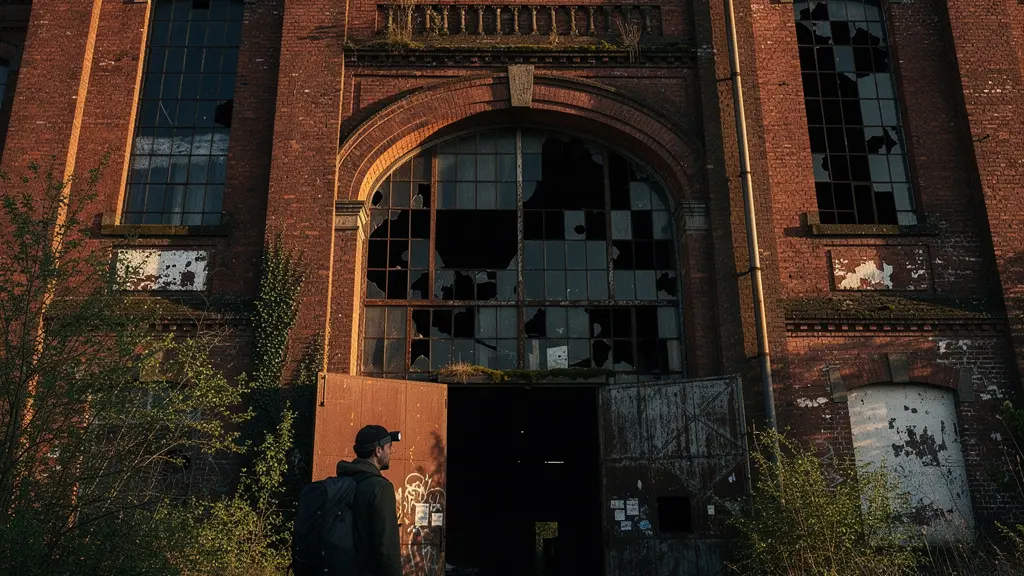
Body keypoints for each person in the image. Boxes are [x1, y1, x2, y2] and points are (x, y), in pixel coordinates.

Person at [335, 424, 403, 576]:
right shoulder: (380, 488)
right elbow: (387, 549)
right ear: (378, 451)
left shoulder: (342, 482)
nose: (391, 451)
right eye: (389, 447)